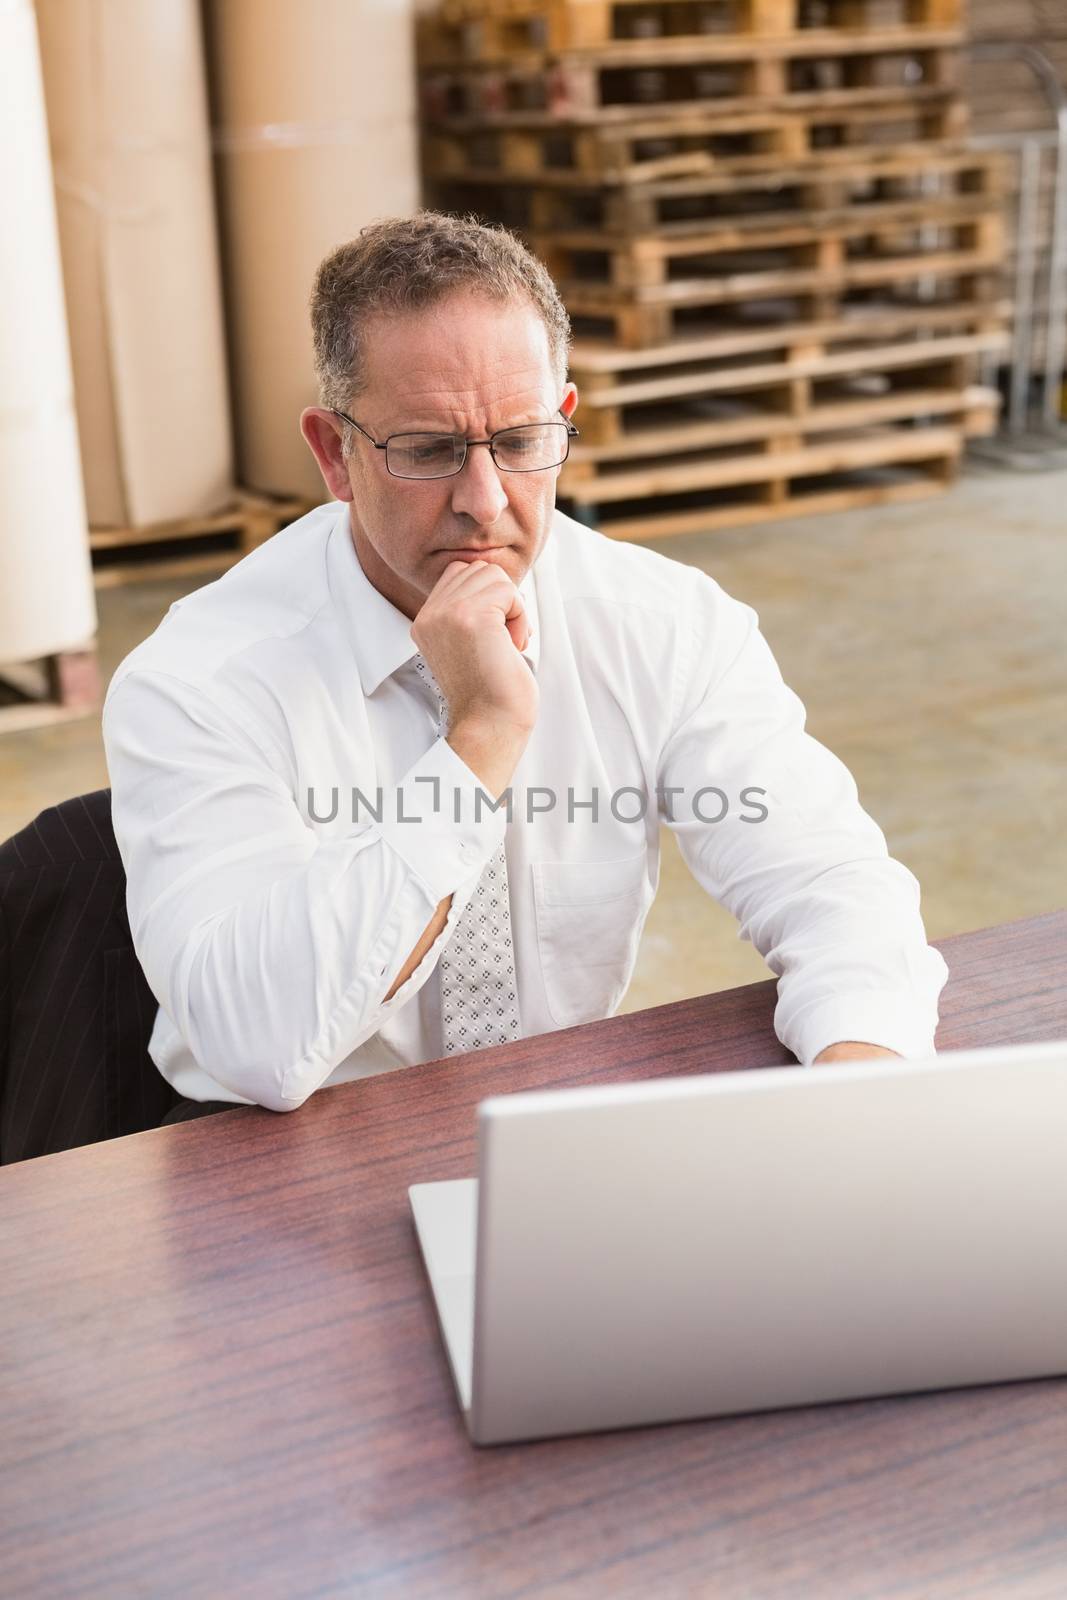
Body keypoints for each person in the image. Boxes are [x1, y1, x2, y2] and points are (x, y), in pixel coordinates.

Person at [103, 211, 948, 1122]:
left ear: (564, 421)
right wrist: (481, 735)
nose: (484, 502)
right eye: (427, 451)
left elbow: (831, 887)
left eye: (518, 443)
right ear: (333, 454)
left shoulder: (662, 622)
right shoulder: (199, 680)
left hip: (553, 1124)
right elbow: (260, 1050)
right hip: (273, 1156)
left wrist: (858, 1100)